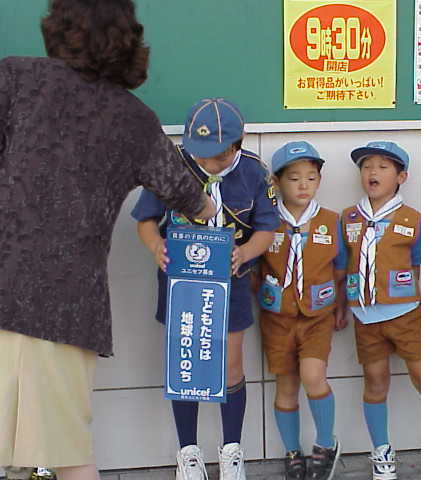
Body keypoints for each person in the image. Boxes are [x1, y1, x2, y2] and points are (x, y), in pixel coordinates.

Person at [0, 1, 214, 479]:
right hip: (66, 304)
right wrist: (211, 209)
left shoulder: (14, 78)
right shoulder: (134, 120)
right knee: (69, 453)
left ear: (58, 26)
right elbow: (190, 198)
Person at [132, 98, 278, 480]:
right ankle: (188, 452)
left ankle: (232, 451)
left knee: (230, 365)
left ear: (235, 145)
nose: (204, 160)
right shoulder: (171, 167)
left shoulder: (254, 172)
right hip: (182, 284)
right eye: (198, 151)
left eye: (213, 155)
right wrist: (156, 246)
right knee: (185, 362)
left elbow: (267, 228)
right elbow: (145, 220)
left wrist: (245, 252)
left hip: (232, 284)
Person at [341, 141, 421, 479]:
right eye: (367, 166)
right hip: (365, 315)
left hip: (406, 315)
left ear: (401, 177)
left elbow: (416, 262)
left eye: (383, 167)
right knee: (375, 381)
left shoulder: (413, 218)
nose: (373, 172)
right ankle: (381, 450)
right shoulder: (348, 217)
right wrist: (341, 307)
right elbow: (343, 265)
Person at [257, 141, 346, 480]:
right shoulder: (266, 220)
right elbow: (255, 268)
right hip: (277, 319)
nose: (303, 185)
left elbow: (340, 268)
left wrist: (340, 306)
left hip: (317, 317)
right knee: (286, 385)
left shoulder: (331, 221)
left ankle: (325, 444)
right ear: (277, 182)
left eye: (311, 177)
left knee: (313, 376)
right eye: (294, 178)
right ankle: (292, 451)